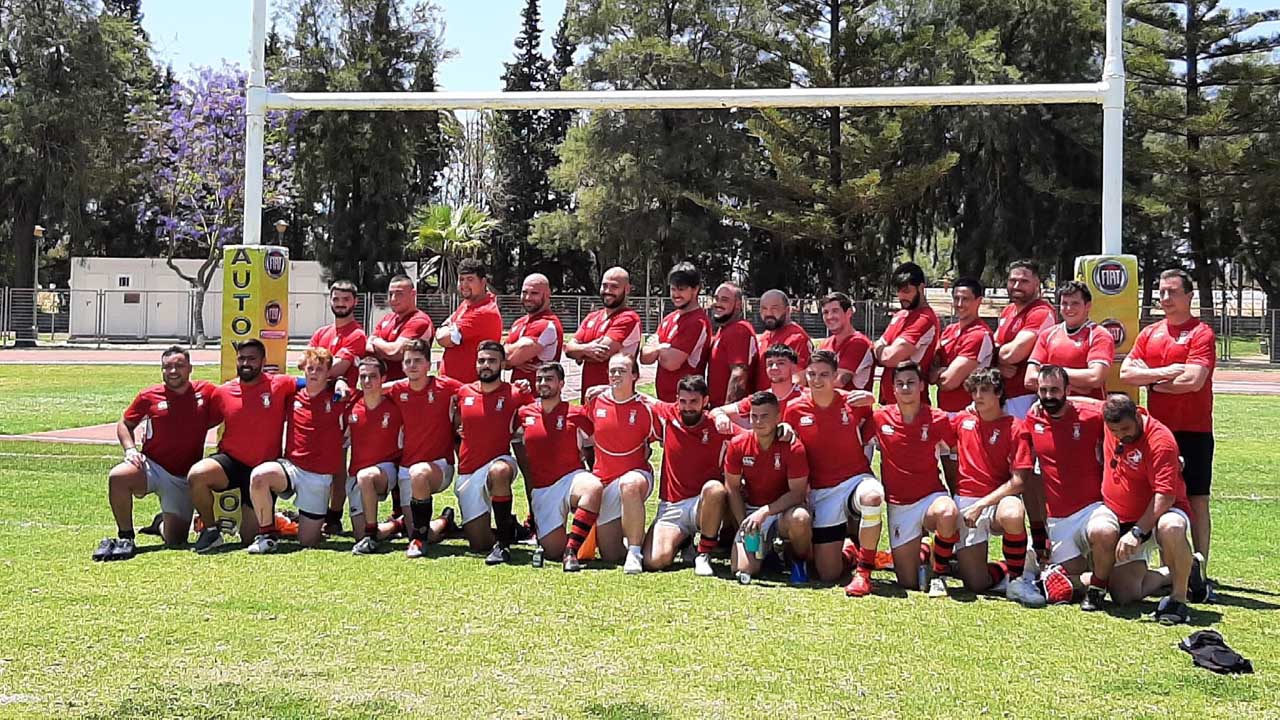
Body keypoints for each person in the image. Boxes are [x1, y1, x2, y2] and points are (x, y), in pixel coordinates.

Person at [1120, 268, 1216, 589]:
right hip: (1159, 435)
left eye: (1173, 292)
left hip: (1194, 430)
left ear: (1189, 296)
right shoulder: (1150, 333)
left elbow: (1194, 380)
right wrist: (1165, 373)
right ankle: (1172, 568)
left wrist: (1155, 381)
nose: (1165, 299)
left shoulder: (1201, 333)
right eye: (1161, 292)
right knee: (1163, 497)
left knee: (1198, 498)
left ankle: (1200, 565)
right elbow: (1128, 372)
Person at [1082, 395, 1203, 624]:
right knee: (1124, 595)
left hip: (1160, 513)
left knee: (1172, 527)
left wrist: (1137, 532)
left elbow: (1165, 496)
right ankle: (1180, 571)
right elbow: (1090, 404)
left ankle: (1179, 598)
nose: (1121, 436)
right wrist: (1045, 400)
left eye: (1126, 429)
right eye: (1114, 431)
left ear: (1138, 415)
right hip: (1120, 513)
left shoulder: (1161, 441)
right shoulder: (1112, 418)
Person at [92, 346, 219, 561]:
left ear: (190, 368)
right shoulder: (148, 396)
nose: (173, 371)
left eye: (179, 366)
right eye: (167, 367)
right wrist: (130, 450)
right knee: (118, 476)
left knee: (175, 539)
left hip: (183, 476)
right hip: (152, 466)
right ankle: (126, 537)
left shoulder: (205, 391)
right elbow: (125, 423)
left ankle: (160, 523)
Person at [781, 350, 882, 595]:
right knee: (827, 574)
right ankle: (849, 550)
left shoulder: (854, 402)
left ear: (836, 376)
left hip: (855, 479)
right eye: (812, 374)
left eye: (824, 374)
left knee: (873, 497)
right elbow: (789, 447)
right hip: (821, 490)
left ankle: (864, 572)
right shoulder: (794, 409)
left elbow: (881, 421)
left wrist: (873, 400)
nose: (817, 380)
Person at [189, 339, 300, 552]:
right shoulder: (222, 392)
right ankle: (211, 531)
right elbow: (202, 422)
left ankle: (280, 517)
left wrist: (338, 382)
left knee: (249, 537)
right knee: (197, 475)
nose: (246, 363)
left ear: (263, 361)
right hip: (232, 462)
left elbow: (311, 383)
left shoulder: (280, 384)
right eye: (241, 358)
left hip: (263, 471)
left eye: (252, 358)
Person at [947, 368, 1044, 607]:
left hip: (996, 500)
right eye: (975, 390)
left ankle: (1017, 580)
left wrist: (981, 505)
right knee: (976, 584)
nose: (977, 396)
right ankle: (1016, 563)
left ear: (999, 393)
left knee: (1013, 512)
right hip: (966, 500)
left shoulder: (1016, 427)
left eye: (985, 390)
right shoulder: (962, 421)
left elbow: (1020, 481)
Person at [1015, 364, 1108, 604]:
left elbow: (1128, 413)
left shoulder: (1092, 414)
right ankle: (1095, 576)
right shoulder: (1032, 418)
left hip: (1093, 509)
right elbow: (1027, 478)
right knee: (1066, 587)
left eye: (1055, 390)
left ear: (1067, 389)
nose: (1048, 396)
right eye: (1043, 390)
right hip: (1058, 519)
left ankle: (1100, 583)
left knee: (1105, 537)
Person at [244, 348, 351, 553]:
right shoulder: (291, 396)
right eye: (310, 368)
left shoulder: (339, 398)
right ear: (303, 369)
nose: (314, 373)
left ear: (329, 373)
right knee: (259, 476)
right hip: (291, 467)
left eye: (320, 369)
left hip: (318, 476)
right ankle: (267, 535)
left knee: (308, 541)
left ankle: (288, 519)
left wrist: (341, 381)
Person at [870, 362, 960, 597]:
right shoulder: (880, 417)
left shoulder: (937, 418)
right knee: (907, 581)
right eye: (900, 384)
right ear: (893, 388)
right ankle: (922, 548)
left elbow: (955, 449)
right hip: (899, 504)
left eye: (911, 382)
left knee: (947, 512)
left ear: (922, 385)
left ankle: (940, 573)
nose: (905, 387)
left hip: (930, 496)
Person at [513, 362, 603, 572]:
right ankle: (565, 545)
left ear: (561, 384)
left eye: (549, 379)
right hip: (543, 489)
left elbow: (593, 447)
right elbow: (514, 441)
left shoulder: (577, 413)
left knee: (593, 488)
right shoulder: (524, 414)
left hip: (571, 478)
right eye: (540, 380)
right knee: (552, 550)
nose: (543, 384)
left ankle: (571, 551)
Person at [643, 375, 734, 575]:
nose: (687, 407)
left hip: (704, 504)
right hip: (672, 505)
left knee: (715, 488)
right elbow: (639, 398)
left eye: (693, 402)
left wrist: (784, 429)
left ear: (705, 401)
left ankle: (704, 553)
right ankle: (684, 542)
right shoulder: (668, 415)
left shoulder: (718, 425)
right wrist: (602, 391)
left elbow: (753, 436)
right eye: (682, 401)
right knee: (654, 561)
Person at [452, 341, 533, 565]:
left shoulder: (515, 393)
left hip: (499, 461)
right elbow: (455, 426)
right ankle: (509, 529)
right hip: (469, 471)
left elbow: (537, 413)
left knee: (499, 471)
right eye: (482, 361)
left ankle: (504, 544)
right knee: (479, 544)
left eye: (492, 360)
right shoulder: (462, 392)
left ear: (503, 364)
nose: (486, 365)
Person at [724, 391, 813, 585]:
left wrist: (765, 511)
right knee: (743, 570)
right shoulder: (738, 444)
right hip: (751, 510)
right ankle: (769, 552)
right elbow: (731, 487)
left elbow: (797, 493)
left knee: (800, 518)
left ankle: (797, 561)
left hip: (783, 512)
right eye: (754, 416)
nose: (758, 421)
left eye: (764, 416)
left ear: (778, 417)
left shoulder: (793, 447)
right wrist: (743, 524)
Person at [386, 338, 464, 558]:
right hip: (406, 468)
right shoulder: (396, 389)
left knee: (419, 473)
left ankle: (418, 542)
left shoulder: (446, 386)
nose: (412, 365)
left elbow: (477, 390)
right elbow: (368, 390)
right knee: (423, 528)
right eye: (408, 361)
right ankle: (444, 521)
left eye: (418, 361)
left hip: (438, 467)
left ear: (429, 365)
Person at [582, 353, 656, 573]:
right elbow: (584, 434)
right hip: (603, 481)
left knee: (629, 484)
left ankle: (635, 552)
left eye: (622, 371)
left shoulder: (647, 407)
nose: (615, 375)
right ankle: (639, 539)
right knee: (611, 554)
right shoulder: (595, 401)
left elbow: (670, 427)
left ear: (635, 375)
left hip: (637, 475)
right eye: (612, 370)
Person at [308, 279, 369, 535]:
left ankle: (334, 514)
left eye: (345, 299)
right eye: (336, 299)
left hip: (345, 409)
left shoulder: (357, 335)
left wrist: (318, 371)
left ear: (354, 302)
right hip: (317, 408)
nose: (340, 304)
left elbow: (334, 369)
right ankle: (316, 512)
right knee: (320, 461)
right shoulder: (322, 333)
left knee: (339, 465)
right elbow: (309, 366)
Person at [348, 357, 406, 555]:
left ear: (383, 378)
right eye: (363, 376)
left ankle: (371, 537)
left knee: (367, 476)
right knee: (358, 533)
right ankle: (397, 525)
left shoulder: (396, 405)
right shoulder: (351, 405)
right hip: (356, 473)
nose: (367, 381)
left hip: (387, 471)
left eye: (373, 376)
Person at [564, 267, 642, 402]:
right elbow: (568, 350)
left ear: (627, 289)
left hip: (615, 400)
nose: (608, 291)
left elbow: (601, 354)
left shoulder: (628, 318)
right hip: (589, 398)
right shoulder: (591, 317)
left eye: (614, 287)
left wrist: (579, 353)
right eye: (604, 285)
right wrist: (586, 350)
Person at [1026, 280, 1114, 399]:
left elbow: (1095, 378)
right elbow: (1029, 379)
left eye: (1075, 303)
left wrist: (1050, 372)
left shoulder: (1099, 335)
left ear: (1088, 306)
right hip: (1052, 409)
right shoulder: (1047, 335)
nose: (1069, 308)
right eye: (1064, 303)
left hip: (1088, 411)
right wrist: (1077, 387)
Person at [993, 260, 1057, 419]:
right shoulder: (1008, 311)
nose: (1016, 286)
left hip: (1025, 396)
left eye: (1024, 281)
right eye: (1012, 280)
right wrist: (996, 362)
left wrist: (993, 356)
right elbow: (991, 346)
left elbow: (1013, 354)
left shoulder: (1041, 312)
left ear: (1037, 284)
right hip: (1001, 394)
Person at [641, 262, 712, 402]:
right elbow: (644, 358)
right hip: (663, 401)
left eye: (681, 289)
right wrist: (663, 348)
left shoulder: (697, 322)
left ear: (695, 289)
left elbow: (672, 363)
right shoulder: (669, 318)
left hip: (687, 404)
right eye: (673, 289)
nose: (676, 294)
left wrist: (657, 348)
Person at [873, 262, 941, 406]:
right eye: (898, 290)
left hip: (912, 406)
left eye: (906, 291)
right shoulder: (901, 315)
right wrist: (881, 350)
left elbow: (889, 357)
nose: (901, 296)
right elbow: (880, 349)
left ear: (921, 288)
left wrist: (881, 349)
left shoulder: (924, 318)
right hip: (889, 403)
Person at [436, 258, 504, 384]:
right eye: (461, 279)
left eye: (470, 279)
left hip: (469, 389)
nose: (464, 285)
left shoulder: (484, 311)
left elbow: (443, 338)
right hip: (453, 386)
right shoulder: (467, 304)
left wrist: (444, 328)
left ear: (483, 282)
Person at [933, 278, 993, 414]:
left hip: (967, 412)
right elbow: (931, 365)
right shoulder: (949, 330)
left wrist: (939, 373)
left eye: (965, 299)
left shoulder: (979, 335)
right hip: (944, 410)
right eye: (956, 298)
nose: (959, 304)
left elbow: (948, 382)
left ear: (979, 301)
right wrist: (939, 372)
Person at [710, 344, 803, 428]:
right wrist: (720, 417)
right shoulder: (760, 398)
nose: (774, 368)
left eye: (781, 363)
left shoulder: (806, 397)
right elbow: (716, 411)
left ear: (794, 367)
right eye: (770, 364)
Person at [368, 274, 434, 382]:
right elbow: (367, 346)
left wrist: (375, 341)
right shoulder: (387, 318)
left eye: (399, 294)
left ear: (413, 294)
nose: (393, 299)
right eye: (390, 294)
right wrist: (384, 347)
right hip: (383, 387)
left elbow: (395, 352)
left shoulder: (419, 320)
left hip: (407, 388)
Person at [504, 273, 564, 386]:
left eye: (534, 293)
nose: (528, 298)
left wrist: (510, 359)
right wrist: (511, 360)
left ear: (547, 294)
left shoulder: (546, 324)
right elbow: (505, 361)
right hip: (517, 394)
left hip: (539, 396)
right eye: (524, 292)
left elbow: (509, 357)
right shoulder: (519, 322)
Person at [706, 282, 757, 407]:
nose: (718, 304)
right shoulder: (725, 329)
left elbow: (739, 374)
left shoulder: (738, 330)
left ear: (738, 304)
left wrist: (726, 412)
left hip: (728, 413)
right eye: (716, 299)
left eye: (724, 300)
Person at [753, 289, 812, 390]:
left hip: (778, 402)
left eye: (774, 308)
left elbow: (799, 379)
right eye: (764, 308)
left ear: (788, 310)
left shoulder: (797, 337)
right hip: (760, 401)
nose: (768, 313)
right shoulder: (764, 336)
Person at [817, 292, 875, 392]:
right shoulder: (825, 344)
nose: (830, 316)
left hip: (852, 406)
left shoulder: (858, 343)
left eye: (835, 311)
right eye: (825, 312)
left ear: (848, 313)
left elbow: (838, 382)